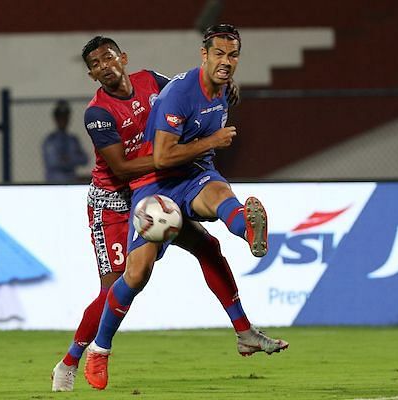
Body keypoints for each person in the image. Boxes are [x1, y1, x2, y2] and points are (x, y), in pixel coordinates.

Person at [52, 35, 285, 392]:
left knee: (207, 248)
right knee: (120, 283)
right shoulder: (97, 113)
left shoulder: (152, 82)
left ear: (123, 58)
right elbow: (122, 168)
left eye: (109, 58)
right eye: (96, 65)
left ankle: (244, 331)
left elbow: (187, 90)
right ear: (92, 75)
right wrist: (181, 153)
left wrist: (224, 83)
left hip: (160, 187)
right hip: (115, 200)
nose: (105, 66)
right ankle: (71, 360)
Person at [42, 100, 89, 183]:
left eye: (65, 117)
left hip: (71, 180)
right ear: (55, 119)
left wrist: (69, 159)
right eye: (60, 117)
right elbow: (53, 162)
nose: (63, 120)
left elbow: (85, 159)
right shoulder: (50, 141)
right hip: (54, 182)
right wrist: (72, 159)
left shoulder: (73, 140)